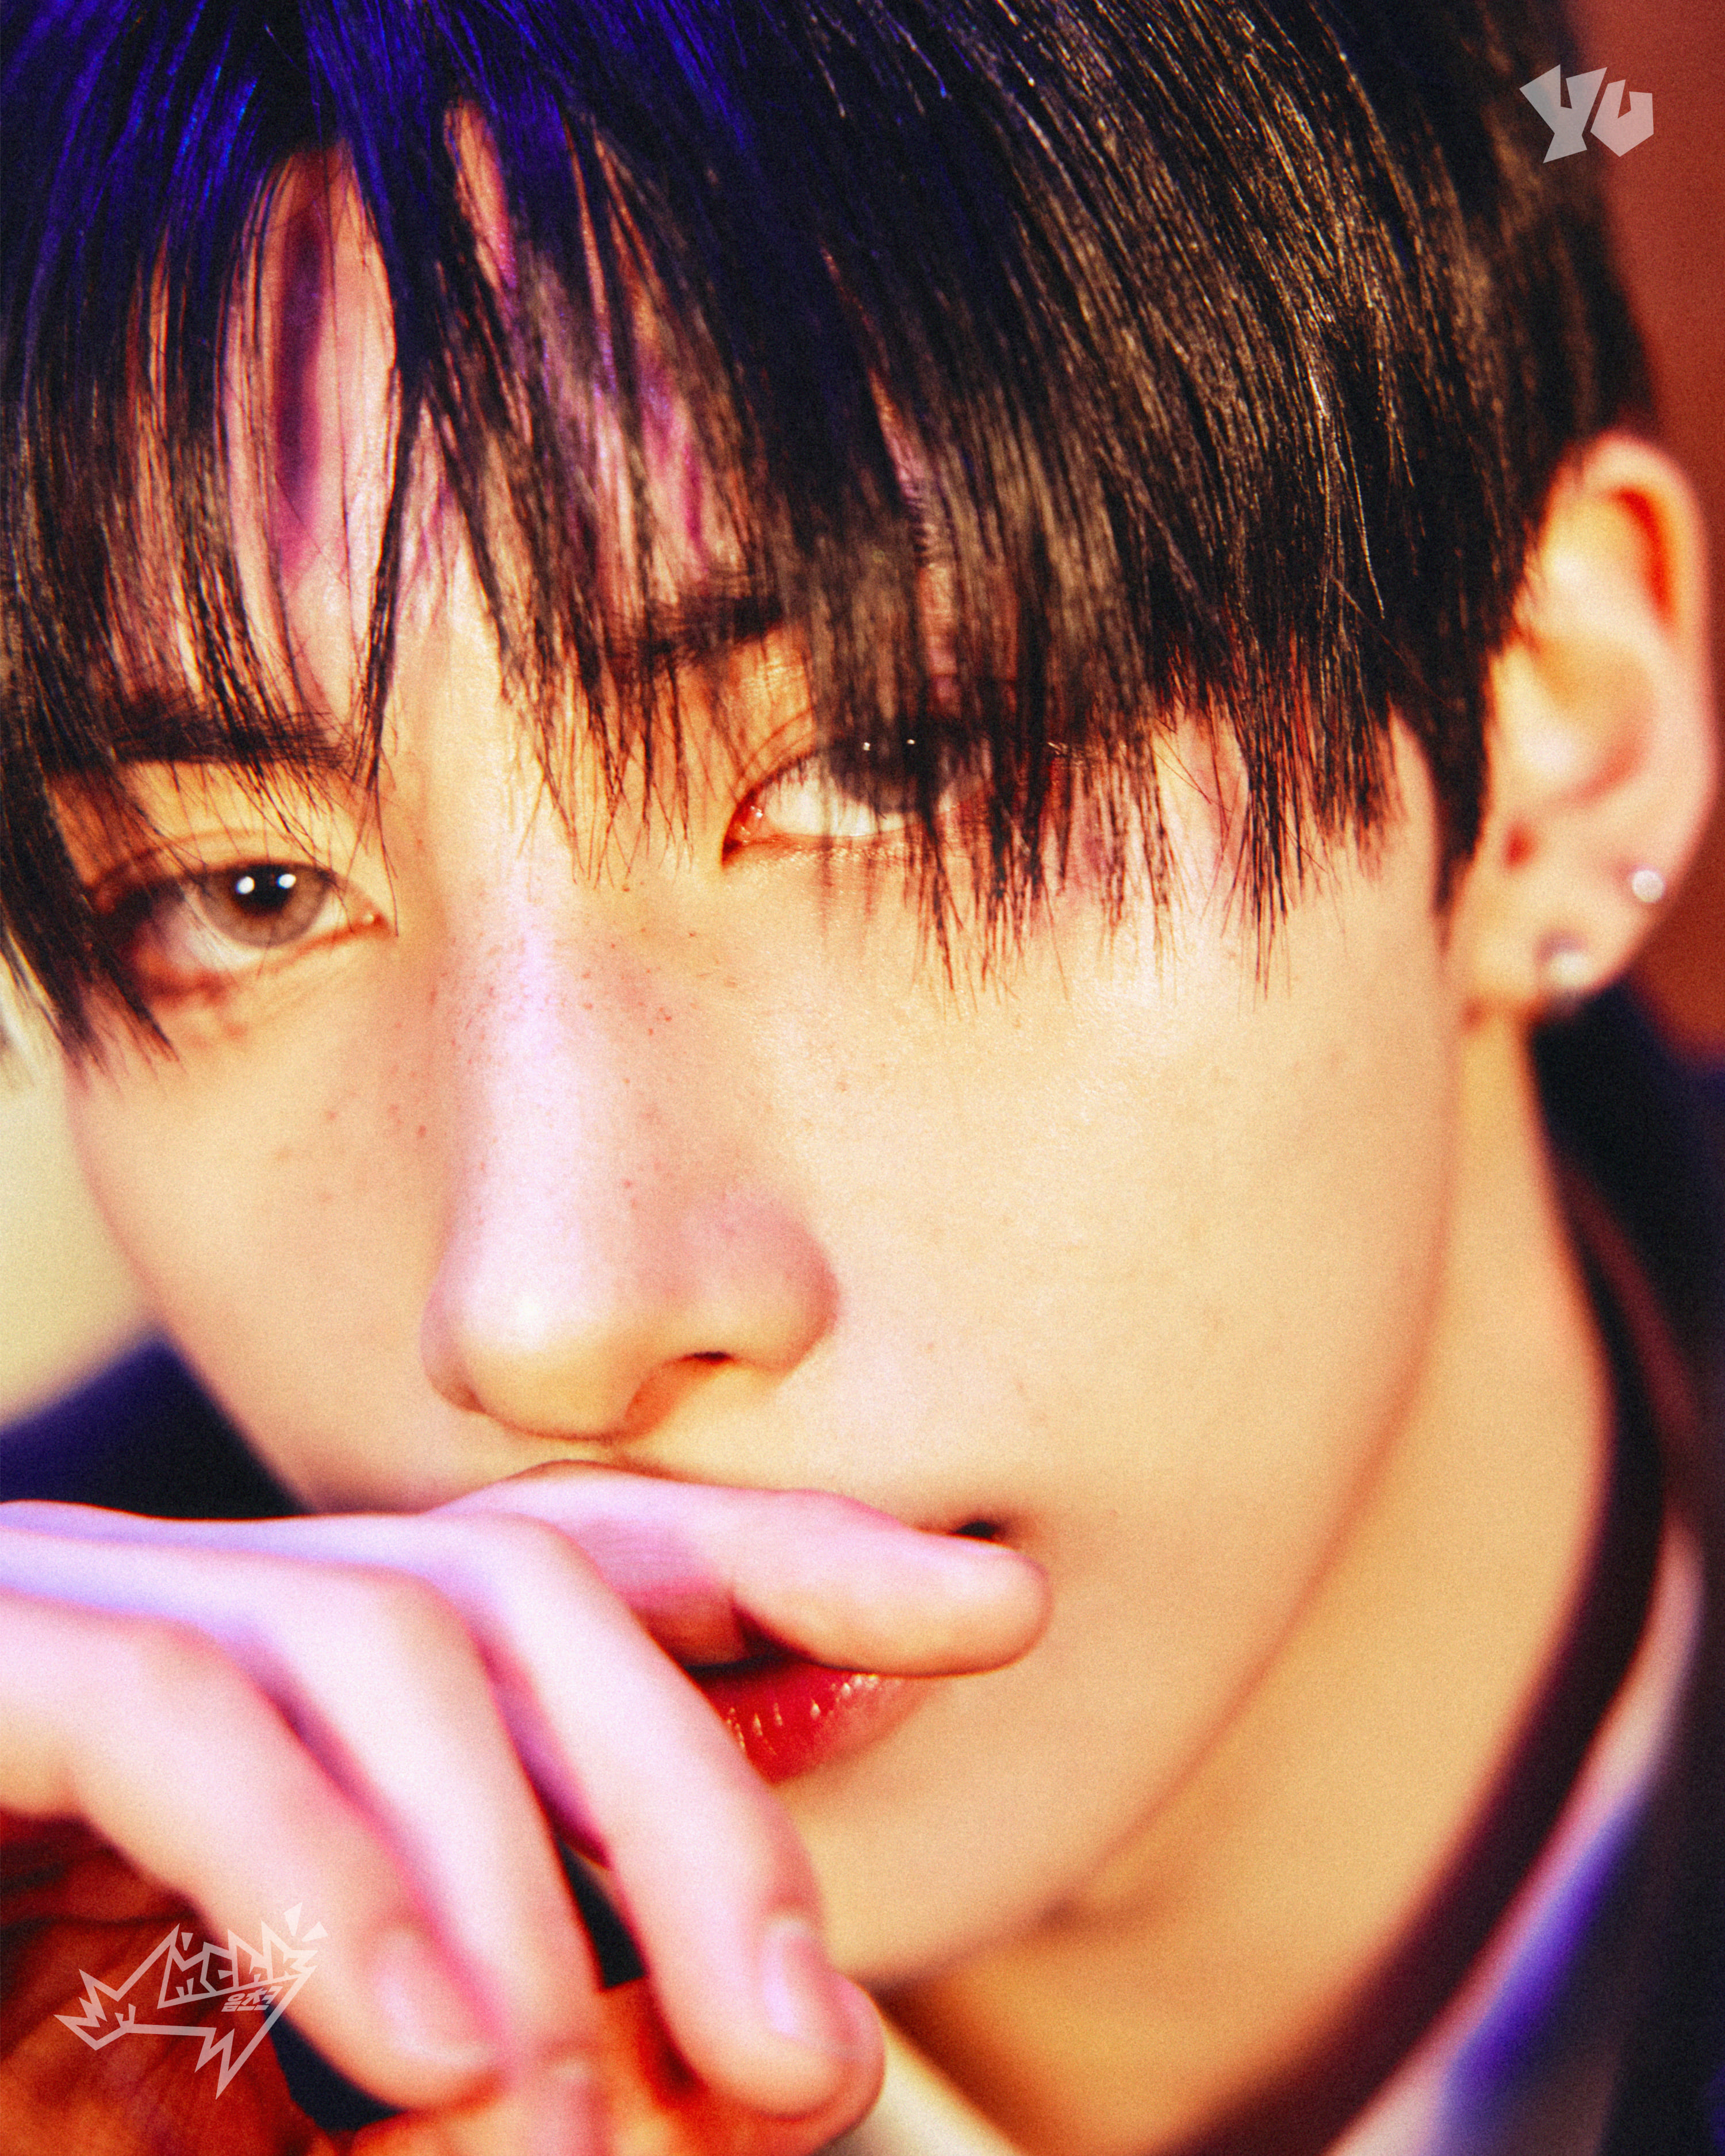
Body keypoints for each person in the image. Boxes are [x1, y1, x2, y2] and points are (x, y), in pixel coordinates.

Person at [1, 1, 1720, 2151]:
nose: (540, 1319)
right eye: (243, 894)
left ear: (1560, 738)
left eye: (891, 764)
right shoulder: (87, 1968)